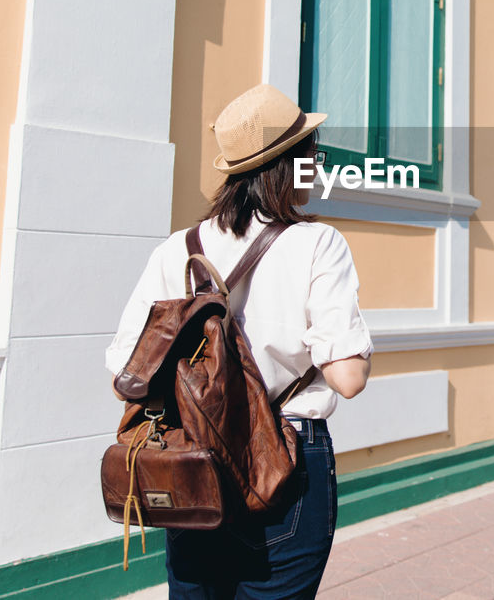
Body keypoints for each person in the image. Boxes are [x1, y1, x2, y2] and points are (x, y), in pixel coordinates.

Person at [104, 83, 373, 599]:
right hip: (286, 458)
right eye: (312, 154)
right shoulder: (317, 243)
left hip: (194, 459)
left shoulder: (176, 251)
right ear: (289, 164)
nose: (317, 167)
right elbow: (349, 377)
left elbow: (124, 373)